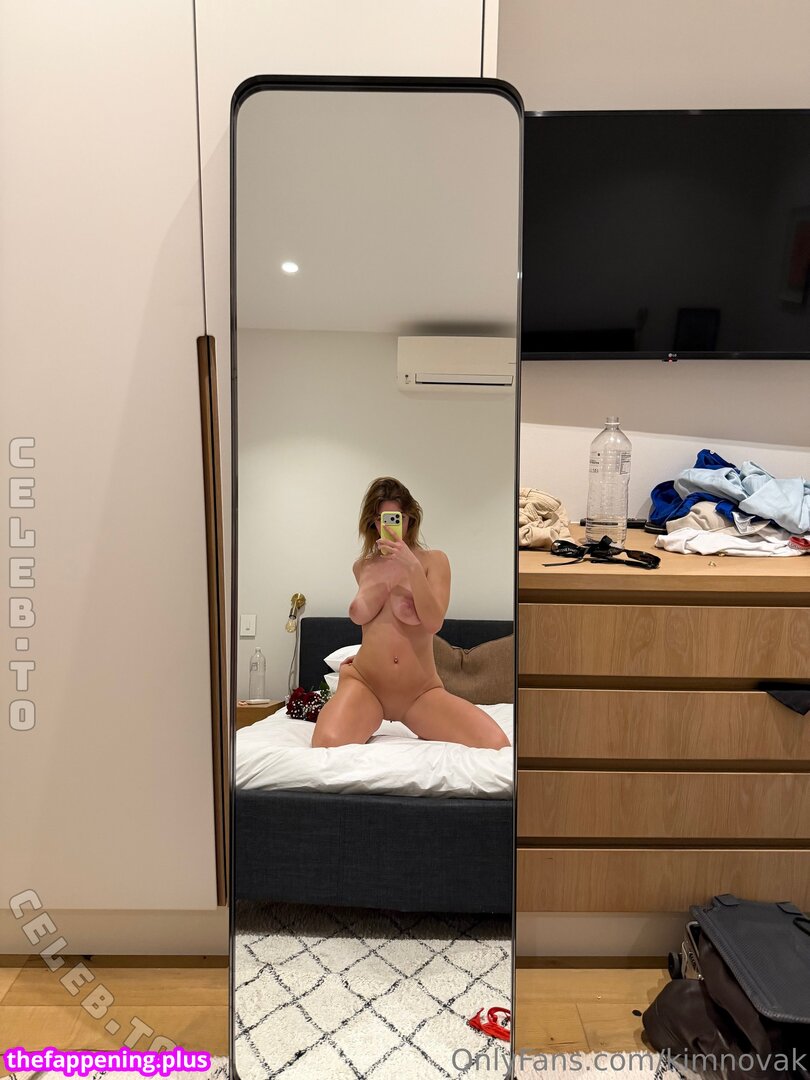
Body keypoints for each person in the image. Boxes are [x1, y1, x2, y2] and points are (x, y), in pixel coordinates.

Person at [311, 477, 510, 750]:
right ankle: (362, 708)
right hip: (367, 684)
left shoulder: (434, 561)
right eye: (382, 519)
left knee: (495, 743)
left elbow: (433, 621)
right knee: (325, 744)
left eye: (397, 518)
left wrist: (412, 566)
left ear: (410, 518)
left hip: (419, 692)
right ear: (373, 522)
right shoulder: (363, 567)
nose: (390, 526)